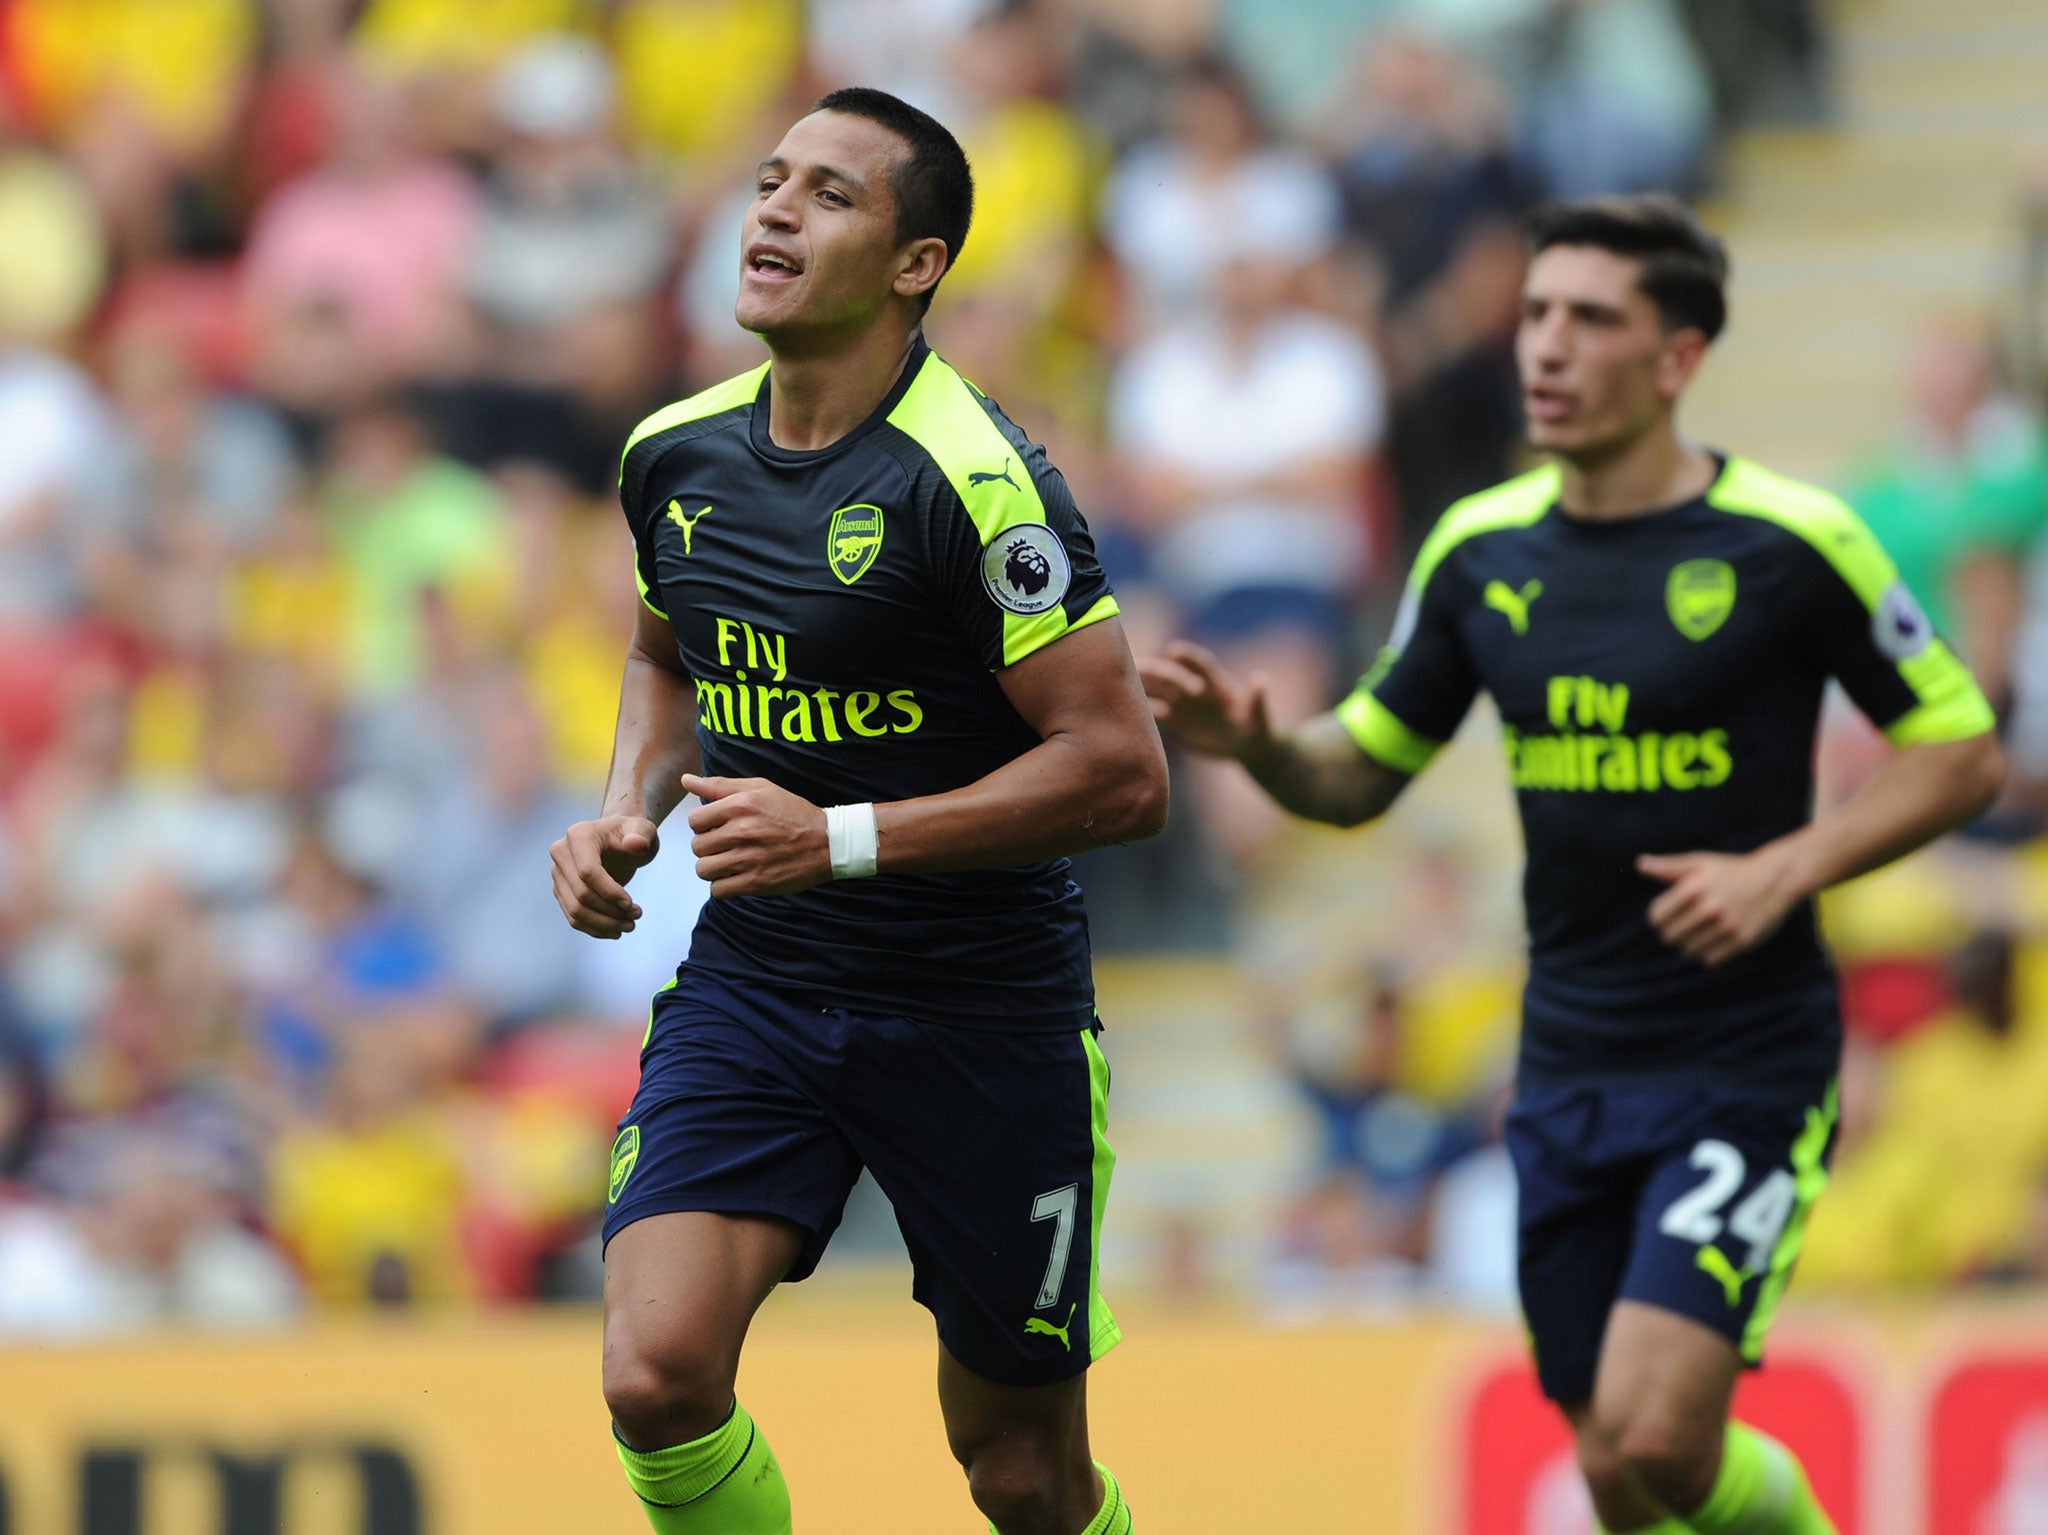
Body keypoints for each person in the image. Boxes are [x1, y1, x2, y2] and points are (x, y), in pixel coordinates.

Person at [1143, 195, 2004, 1535]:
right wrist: (1259, 749)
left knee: (1663, 1427)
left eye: (1591, 319)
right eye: (1537, 312)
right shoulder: (1481, 551)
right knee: (1613, 1463)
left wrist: (1789, 868)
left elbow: (1959, 751)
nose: (1544, 345)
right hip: (1568, 1063)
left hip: (1741, 1057)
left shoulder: (1791, 540)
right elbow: (1360, 773)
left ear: (1677, 360)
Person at [549, 88, 1164, 1535]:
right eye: (770, 181)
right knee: (653, 1371)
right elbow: (664, 651)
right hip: (766, 985)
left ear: (916, 264)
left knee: (1020, 1476)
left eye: (829, 194)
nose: (773, 210)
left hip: (982, 1011)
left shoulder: (981, 481)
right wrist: (622, 808)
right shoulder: (676, 454)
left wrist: (839, 839)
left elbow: (1121, 772)